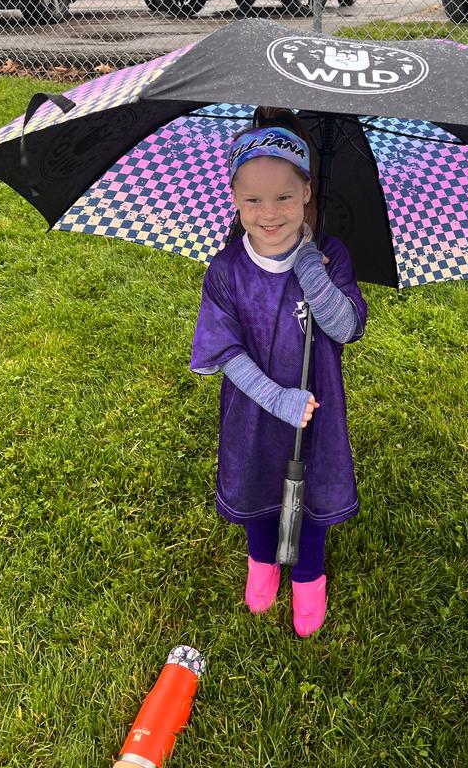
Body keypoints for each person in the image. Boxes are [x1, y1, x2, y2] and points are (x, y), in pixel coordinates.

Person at [190, 107, 367, 637]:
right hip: (256, 410)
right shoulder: (226, 270)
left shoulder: (330, 255)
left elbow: (346, 327)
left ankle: (309, 575)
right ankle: (262, 561)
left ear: (308, 192)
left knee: (312, 487)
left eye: (285, 197)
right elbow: (224, 353)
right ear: (235, 199)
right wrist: (276, 399)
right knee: (257, 482)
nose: (269, 213)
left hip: (317, 409)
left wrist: (311, 269)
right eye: (253, 200)